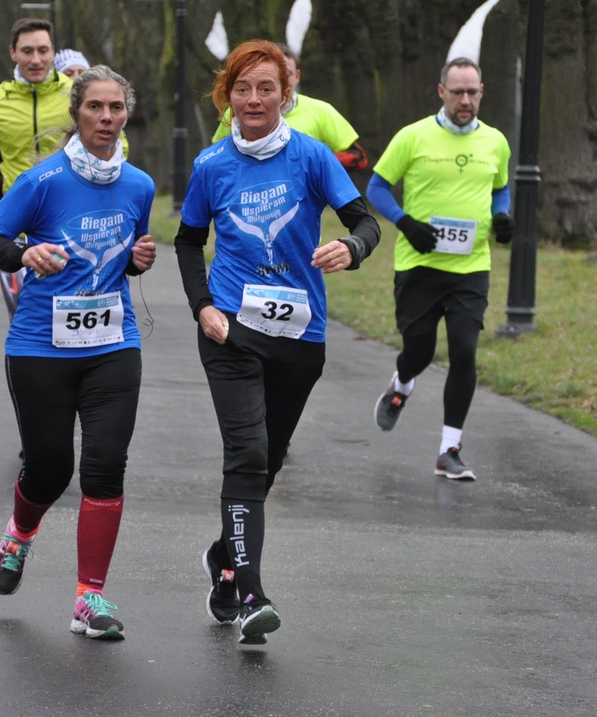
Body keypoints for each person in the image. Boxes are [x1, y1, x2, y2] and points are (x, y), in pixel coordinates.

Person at [175, 39, 380, 645]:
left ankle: (224, 559)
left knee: (268, 459)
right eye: (242, 89)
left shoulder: (312, 156)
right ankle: (251, 597)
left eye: (266, 88)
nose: (255, 99)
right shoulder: (211, 165)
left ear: (285, 94)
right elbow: (188, 242)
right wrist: (203, 306)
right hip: (231, 330)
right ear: (227, 98)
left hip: (299, 335)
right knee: (246, 456)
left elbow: (365, 221)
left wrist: (352, 248)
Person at [0, 65, 156, 641]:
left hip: (113, 343)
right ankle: (18, 536)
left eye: (116, 108)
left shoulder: (140, 185)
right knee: (51, 469)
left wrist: (137, 261)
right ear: (76, 112)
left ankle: (88, 599)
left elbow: (124, 255)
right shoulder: (43, 180)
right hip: (40, 347)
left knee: (105, 464)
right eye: (95, 107)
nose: (106, 117)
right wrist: (24, 255)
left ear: (126, 115)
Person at [366, 57, 513, 481]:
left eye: (472, 92)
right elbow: (377, 187)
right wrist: (406, 223)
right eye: (458, 92)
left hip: (471, 267)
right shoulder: (413, 137)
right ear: (442, 92)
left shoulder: (496, 142)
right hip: (419, 265)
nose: (465, 100)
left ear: (482, 92)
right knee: (419, 351)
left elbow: (500, 187)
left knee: (464, 351)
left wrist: (501, 216)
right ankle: (402, 385)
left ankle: (449, 449)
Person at [0, 20, 127, 317]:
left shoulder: (77, 94)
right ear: (13, 53)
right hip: (16, 223)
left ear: (53, 52)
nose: (35, 59)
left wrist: (106, 175)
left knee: (74, 304)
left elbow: (117, 140)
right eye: (27, 51)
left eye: (43, 50)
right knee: (24, 310)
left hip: (72, 217)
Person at [211, 44, 368, 173]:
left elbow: (359, 157)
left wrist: (311, 164)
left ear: (297, 76)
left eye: (287, 75)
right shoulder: (239, 112)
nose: (284, 81)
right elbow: (216, 158)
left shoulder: (321, 111)